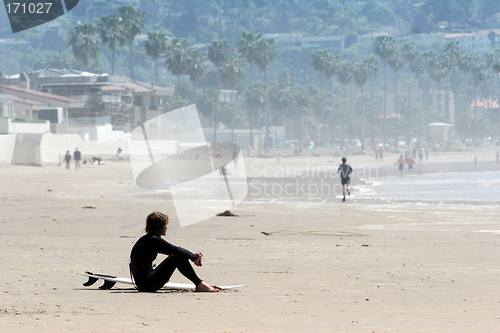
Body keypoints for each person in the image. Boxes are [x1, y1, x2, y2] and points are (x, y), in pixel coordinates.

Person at [129, 212, 221, 293]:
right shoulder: (153, 240)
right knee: (177, 257)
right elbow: (176, 250)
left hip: (143, 284)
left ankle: (199, 283)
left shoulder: (146, 239)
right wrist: (194, 257)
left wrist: (193, 256)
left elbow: (174, 250)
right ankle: (200, 284)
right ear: (162, 227)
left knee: (177, 256)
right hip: (147, 285)